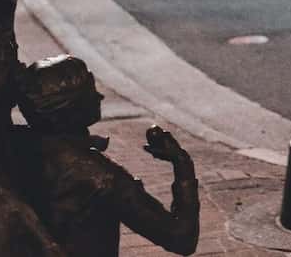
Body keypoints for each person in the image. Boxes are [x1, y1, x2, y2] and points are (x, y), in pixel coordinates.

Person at [12, 56, 200, 257]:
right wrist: (182, 164)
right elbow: (181, 238)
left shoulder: (14, 144)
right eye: (90, 92)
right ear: (71, 108)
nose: (99, 96)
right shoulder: (104, 178)